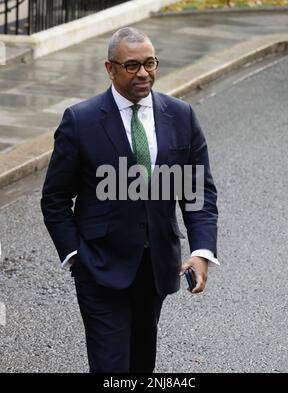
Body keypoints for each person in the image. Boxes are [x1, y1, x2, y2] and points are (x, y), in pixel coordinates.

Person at [41, 27, 219, 373]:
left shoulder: (181, 115)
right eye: (132, 65)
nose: (143, 73)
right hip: (99, 267)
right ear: (110, 69)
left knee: (141, 363)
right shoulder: (81, 120)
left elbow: (197, 190)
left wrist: (201, 252)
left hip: (156, 268)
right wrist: (76, 255)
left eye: (150, 63)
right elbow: (55, 198)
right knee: (110, 366)